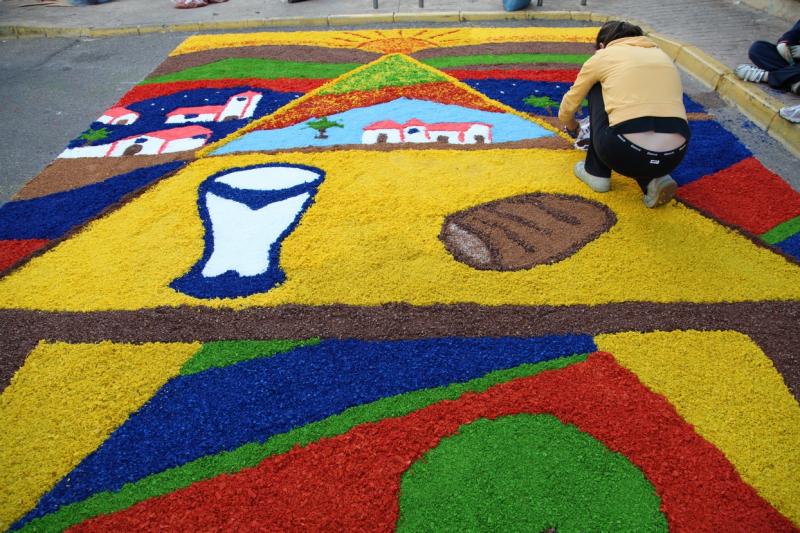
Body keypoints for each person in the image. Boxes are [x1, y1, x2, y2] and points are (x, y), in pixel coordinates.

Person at [558, 21, 690, 208]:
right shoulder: (662, 57)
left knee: (597, 86)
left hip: (621, 150)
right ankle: (652, 179)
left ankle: (596, 173)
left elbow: (569, 104)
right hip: (675, 155)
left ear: (602, 46)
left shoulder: (603, 57)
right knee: (642, 112)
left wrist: (572, 127)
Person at [735, 20, 800, 94]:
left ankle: (766, 76)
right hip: (794, 62)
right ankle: (793, 80)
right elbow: (795, 32)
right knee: (758, 48)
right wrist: (785, 41)